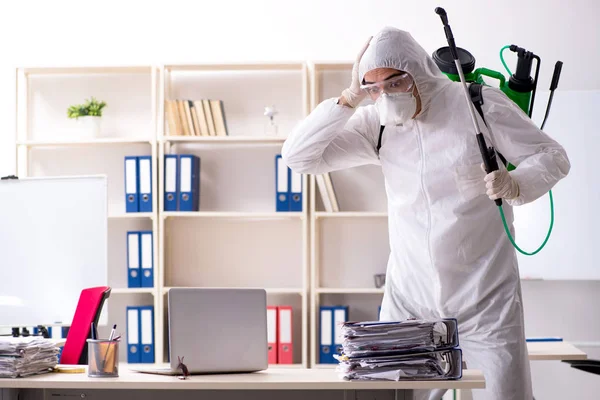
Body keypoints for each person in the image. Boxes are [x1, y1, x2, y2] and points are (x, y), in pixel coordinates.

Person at [282, 27, 570, 400]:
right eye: (374, 87)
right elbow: (299, 157)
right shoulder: (377, 124)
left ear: (418, 71)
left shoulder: (478, 104)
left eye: (396, 82)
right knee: (398, 396)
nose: (385, 94)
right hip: (411, 303)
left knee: (505, 395)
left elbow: (552, 156)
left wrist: (518, 184)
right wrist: (351, 97)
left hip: (485, 300)